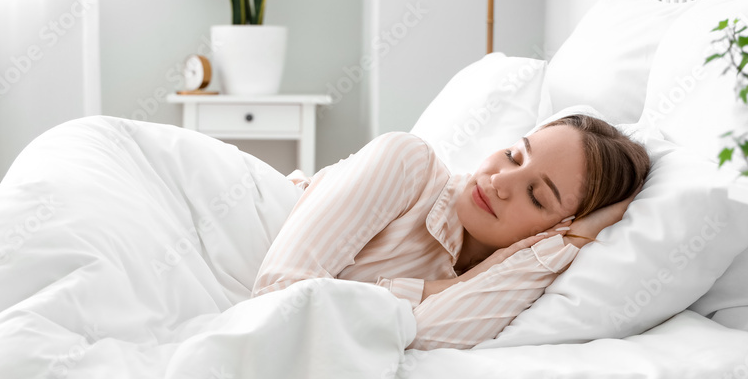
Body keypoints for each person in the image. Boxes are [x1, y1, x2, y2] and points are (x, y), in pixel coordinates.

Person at [252, 114, 651, 350]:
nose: (500, 180)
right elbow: (277, 300)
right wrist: (436, 290)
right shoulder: (408, 162)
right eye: (514, 155)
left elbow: (418, 344)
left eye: (536, 195)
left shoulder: (503, 281)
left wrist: (574, 241)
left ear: (557, 229)